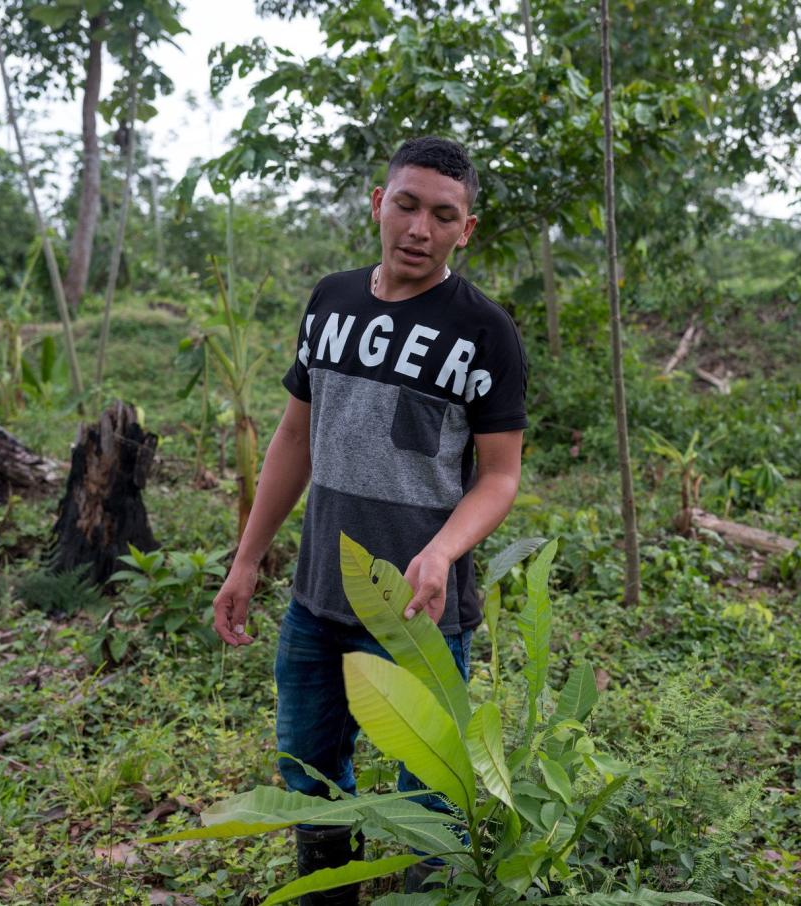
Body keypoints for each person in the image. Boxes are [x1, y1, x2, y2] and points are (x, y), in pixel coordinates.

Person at [212, 136, 528, 903]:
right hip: (317, 603)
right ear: (378, 204)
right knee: (309, 776)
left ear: (466, 229)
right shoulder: (330, 299)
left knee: (429, 802)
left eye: (442, 215)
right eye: (408, 205)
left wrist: (442, 550)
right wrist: (248, 558)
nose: (419, 228)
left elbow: (500, 477)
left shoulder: (485, 332)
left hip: (419, 614)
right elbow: (294, 436)